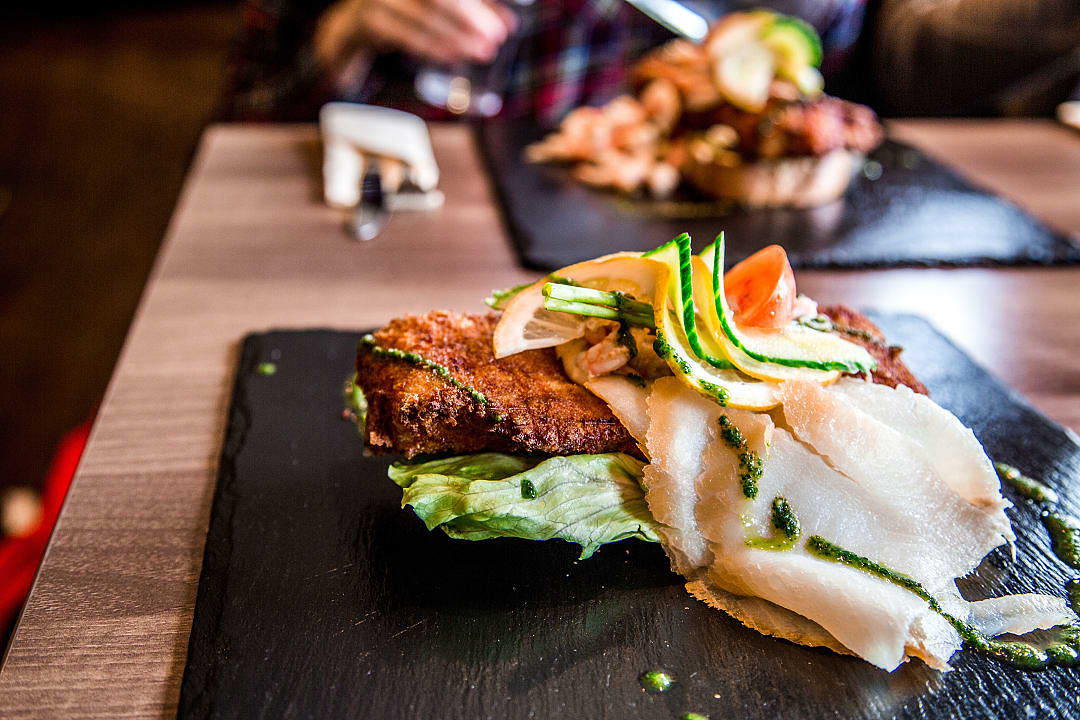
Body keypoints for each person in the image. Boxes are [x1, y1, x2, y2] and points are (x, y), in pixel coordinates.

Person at [222, 0, 871, 123]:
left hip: (652, 245)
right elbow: (248, 109)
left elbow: (829, 86)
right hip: (380, 223)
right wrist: (350, 28)